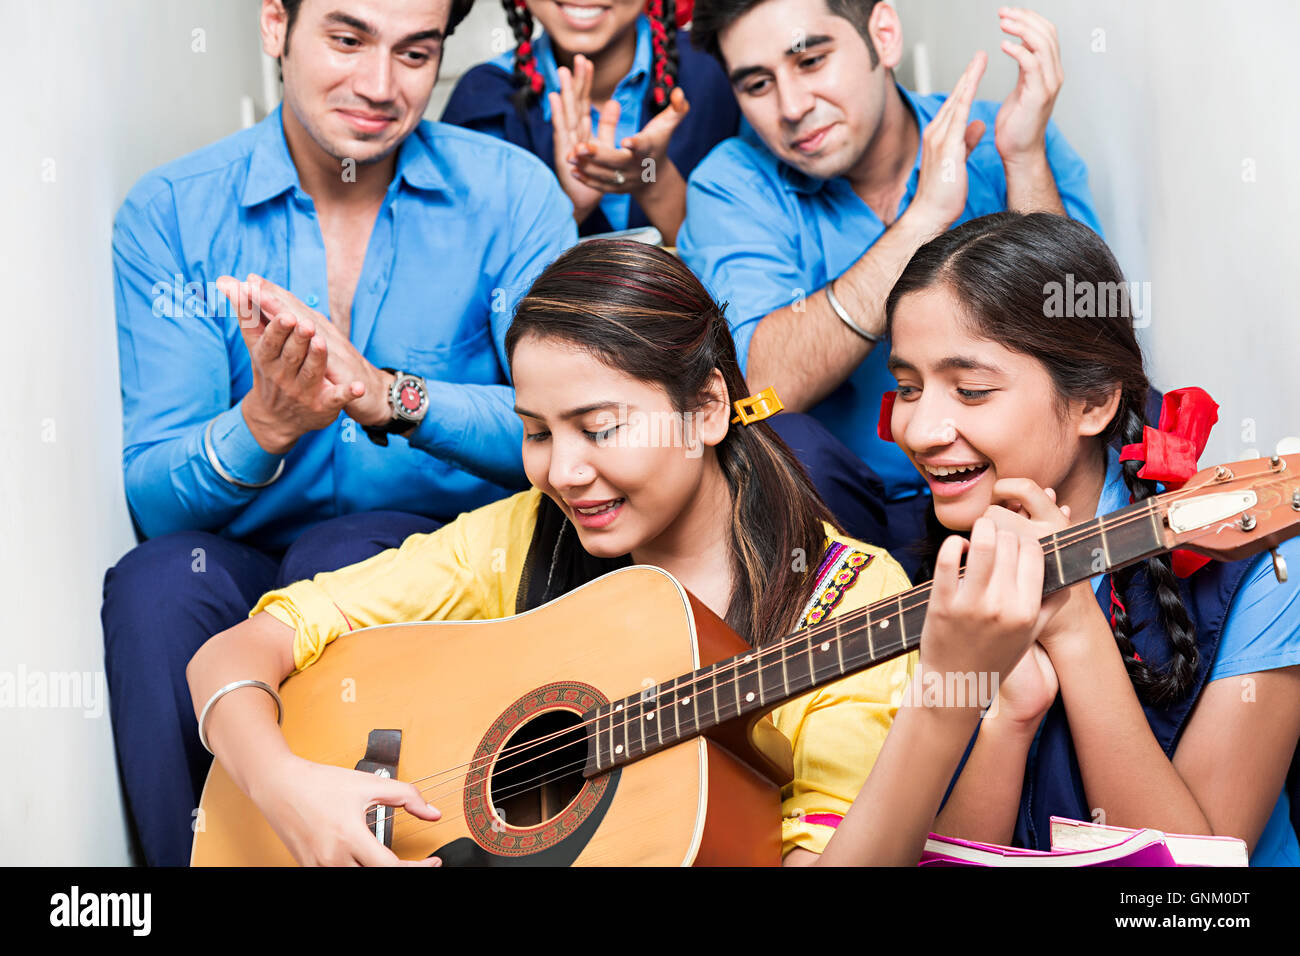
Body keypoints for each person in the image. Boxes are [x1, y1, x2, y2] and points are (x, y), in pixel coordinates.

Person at [186, 239, 1064, 866]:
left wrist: (946, 699)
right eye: (537, 432)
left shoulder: (840, 600)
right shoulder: (524, 536)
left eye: (599, 427)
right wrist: (284, 786)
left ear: (707, 409)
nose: (564, 471)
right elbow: (240, 649)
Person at [103, 0, 578, 866]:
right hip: (240, 557)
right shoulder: (171, 212)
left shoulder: (512, 196)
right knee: (156, 585)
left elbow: (568, 432)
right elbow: (154, 497)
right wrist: (265, 424)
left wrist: (391, 397)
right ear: (275, 26)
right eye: (347, 39)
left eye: (414, 53)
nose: (379, 84)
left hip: (435, 555)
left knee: (344, 547)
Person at [881, 211, 1300, 865]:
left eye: (971, 390)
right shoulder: (919, 559)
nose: (919, 429)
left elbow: (1191, 898)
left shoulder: (1264, 571)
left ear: (1094, 402)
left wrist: (1076, 626)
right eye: (908, 388)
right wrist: (1008, 722)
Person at [677, 1, 1099, 575]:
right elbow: (763, 389)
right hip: (844, 520)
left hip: (1018, 491)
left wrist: (1023, 160)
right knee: (784, 440)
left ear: (883, 35)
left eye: (811, 61)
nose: (792, 107)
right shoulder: (731, 184)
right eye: (757, 84)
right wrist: (924, 219)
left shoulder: (1007, 135)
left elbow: (1086, 344)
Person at [441, 0, 739, 242]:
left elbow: (738, 268)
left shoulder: (727, 71)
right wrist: (569, 208)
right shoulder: (481, 101)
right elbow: (472, 272)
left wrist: (652, 177)